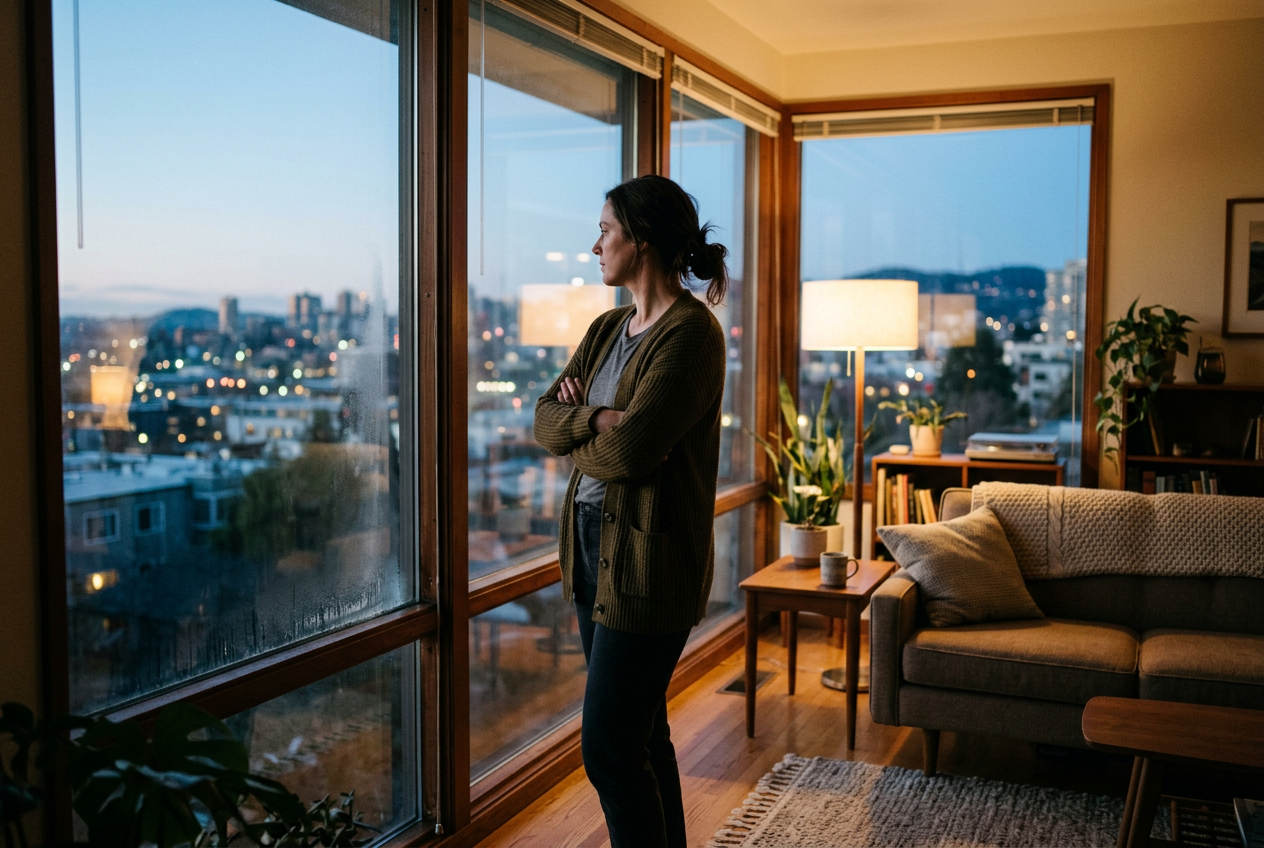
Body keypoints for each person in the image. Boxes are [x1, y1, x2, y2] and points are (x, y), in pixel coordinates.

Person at [533, 175, 728, 848]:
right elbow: (543, 420)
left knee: (609, 749)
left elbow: (636, 454)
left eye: (606, 231)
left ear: (641, 241)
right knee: (644, 732)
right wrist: (599, 419)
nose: (595, 246)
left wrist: (590, 433)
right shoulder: (607, 327)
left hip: (650, 559)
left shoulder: (691, 336)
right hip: (590, 549)